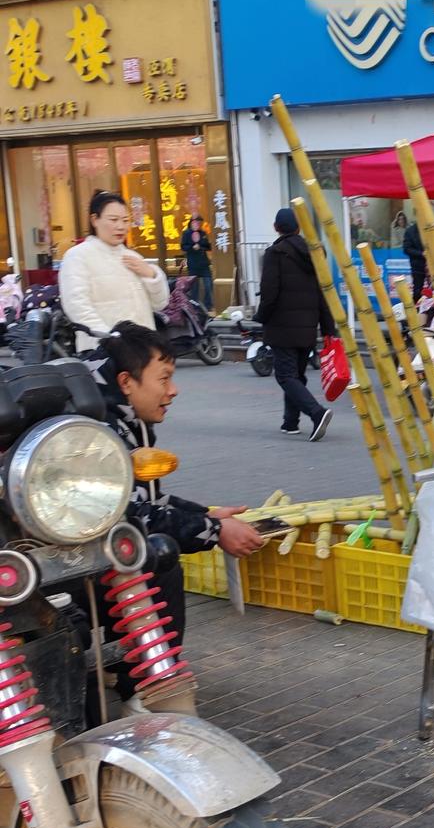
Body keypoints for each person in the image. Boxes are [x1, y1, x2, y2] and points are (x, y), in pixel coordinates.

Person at [87, 321, 263, 708]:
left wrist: (208, 515)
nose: (174, 390)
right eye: (164, 378)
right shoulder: (101, 430)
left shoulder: (120, 416)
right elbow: (132, 516)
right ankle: (147, 692)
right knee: (158, 554)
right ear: (126, 382)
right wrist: (214, 531)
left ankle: (124, 674)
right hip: (73, 572)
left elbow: (146, 499)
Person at [257, 208, 335, 440]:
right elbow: (323, 294)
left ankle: (317, 413)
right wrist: (327, 327)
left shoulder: (275, 253)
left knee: (285, 376)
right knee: (296, 375)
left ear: (276, 228)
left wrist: (261, 317)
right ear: (298, 228)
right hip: (308, 326)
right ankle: (290, 422)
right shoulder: (314, 254)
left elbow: (269, 293)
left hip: (282, 326)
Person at [58, 189, 169, 352]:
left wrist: (151, 275)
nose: (121, 226)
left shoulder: (132, 257)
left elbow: (159, 304)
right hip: (104, 352)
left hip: (144, 350)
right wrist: (110, 339)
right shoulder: (78, 256)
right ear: (94, 220)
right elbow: (77, 306)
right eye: (113, 220)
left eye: (125, 220)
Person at [180, 214, 214, 310]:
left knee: (208, 285)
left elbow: (208, 246)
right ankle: (195, 307)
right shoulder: (186, 233)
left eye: (199, 222)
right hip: (193, 264)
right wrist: (192, 247)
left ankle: (208, 306)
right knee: (194, 288)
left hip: (204, 263)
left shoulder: (203, 233)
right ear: (191, 223)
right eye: (196, 222)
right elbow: (183, 246)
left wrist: (201, 247)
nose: (198, 224)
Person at [403, 217, 426, 302]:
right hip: (418, 266)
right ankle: (416, 312)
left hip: (432, 266)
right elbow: (406, 249)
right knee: (418, 290)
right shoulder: (410, 231)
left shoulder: (430, 228)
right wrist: (422, 253)